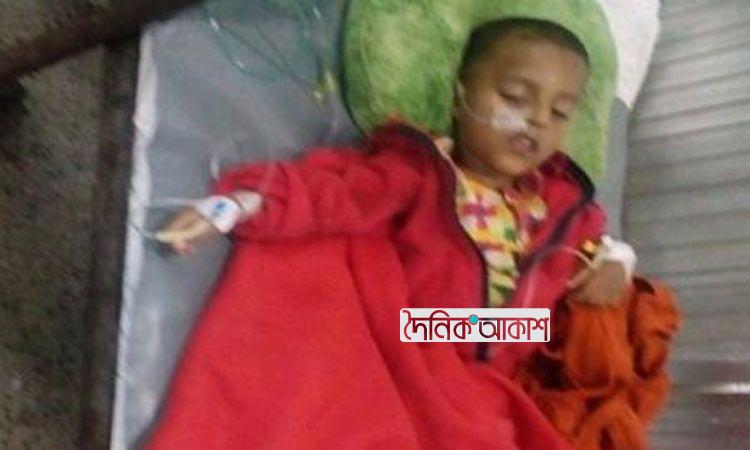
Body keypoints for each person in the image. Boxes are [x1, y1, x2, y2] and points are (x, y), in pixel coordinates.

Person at [146, 8, 670, 450]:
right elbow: (334, 195)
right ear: (461, 94)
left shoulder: (561, 205)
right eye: (514, 97)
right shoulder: (420, 174)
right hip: (413, 351)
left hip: (489, 385)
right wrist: (235, 204)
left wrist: (616, 262)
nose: (536, 120)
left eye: (559, 112)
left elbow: (595, 249)